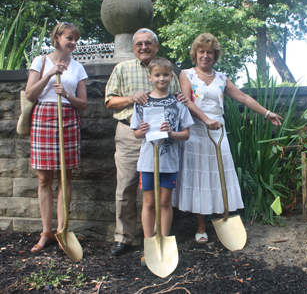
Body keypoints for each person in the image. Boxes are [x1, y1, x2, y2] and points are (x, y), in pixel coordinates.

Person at [172, 33, 283, 244]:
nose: (205, 56)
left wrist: (267, 113)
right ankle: (201, 226)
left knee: (218, 175)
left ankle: (220, 219)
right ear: (195, 54)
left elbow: (243, 97)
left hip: (218, 132)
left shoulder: (222, 78)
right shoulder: (186, 74)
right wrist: (205, 120)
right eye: (202, 51)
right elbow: (186, 101)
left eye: (210, 52)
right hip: (196, 132)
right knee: (199, 177)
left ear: (215, 56)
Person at [105, 28, 185, 256]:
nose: (143, 47)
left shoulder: (168, 70)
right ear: (133, 48)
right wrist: (132, 98)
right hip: (132, 134)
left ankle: (158, 238)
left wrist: (183, 100)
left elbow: (178, 99)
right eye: (139, 44)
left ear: (156, 46)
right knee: (127, 186)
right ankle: (124, 237)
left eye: (148, 43)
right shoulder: (122, 69)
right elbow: (109, 101)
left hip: (164, 138)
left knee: (161, 192)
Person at [25, 21, 88, 253]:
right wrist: (50, 74)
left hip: (68, 119)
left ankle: (62, 231)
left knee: (65, 179)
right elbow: (30, 94)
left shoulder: (78, 68)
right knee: (44, 180)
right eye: (69, 38)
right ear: (57, 37)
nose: (73, 43)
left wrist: (68, 95)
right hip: (44, 118)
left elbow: (83, 104)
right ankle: (46, 232)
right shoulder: (40, 62)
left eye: (75, 39)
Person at [131, 57, 194, 264]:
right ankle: (149, 243)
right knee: (149, 203)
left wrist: (170, 133)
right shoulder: (142, 103)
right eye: (157, 75)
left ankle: (165, 241)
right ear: (150, 77)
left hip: (169, 162)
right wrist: (142, 130)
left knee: (165, 202)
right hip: (148, 162)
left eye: (166, 75)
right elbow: (136, 135)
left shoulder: (178, 103)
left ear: (171, 77)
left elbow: (185, 134)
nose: (161, 78)